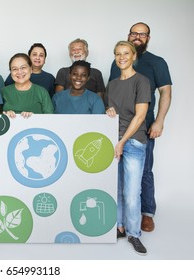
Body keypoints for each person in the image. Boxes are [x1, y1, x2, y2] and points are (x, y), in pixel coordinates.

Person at [109, 22, 172, 232]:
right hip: (118, 129)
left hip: (144, 125)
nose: (137, 36)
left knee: (144, 172)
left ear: (148, 38)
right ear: (128, 35)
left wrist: (159, 120)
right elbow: (113, 93)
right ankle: (121, 221)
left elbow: (165, 92)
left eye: (142, 34)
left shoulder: (156, 62)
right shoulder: (116, 63)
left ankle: (147, 213)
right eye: (134, 33)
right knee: (119, 178)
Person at [105, 41, 151, 255]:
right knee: (116, 189)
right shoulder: (112, 84)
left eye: (125, 53)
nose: (121, 57)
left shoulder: (142, 81)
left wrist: (122, 142)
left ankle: (134, 234)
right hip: (113, 140)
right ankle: (119, 227)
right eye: (117, 54)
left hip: (133, 141)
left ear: (134, 56)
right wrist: (109, 112)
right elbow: (111, 110)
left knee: (132, 192)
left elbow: (140, 115)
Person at [2, 53, 54, 118]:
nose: (19, 72)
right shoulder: (3, 92)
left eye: (23, 67)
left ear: (31, 69)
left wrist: (33, 118)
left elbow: (50, 120)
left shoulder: (42, 92)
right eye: (15, 69)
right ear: (11, 72)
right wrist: (5, 115)